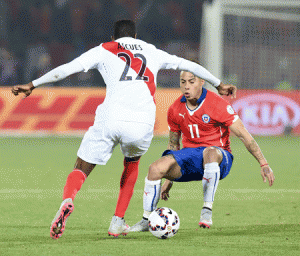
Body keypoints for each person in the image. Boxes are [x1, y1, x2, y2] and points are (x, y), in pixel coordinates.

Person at [11, 20, 237, 239]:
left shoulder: (104, 49)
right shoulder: (152, 51)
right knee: (132, 164)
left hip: (111, 117)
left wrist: (32, 84)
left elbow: (67, 69)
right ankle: (117, 222)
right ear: (135, 36)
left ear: (113, 37)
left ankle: (68, 199)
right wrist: (218, 83)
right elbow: (189, 66)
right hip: (141, 122)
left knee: (81, 166)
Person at [129, 70, 274, 232]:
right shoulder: (175, 109)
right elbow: (173, 145)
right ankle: (146, 219)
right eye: (183, 82)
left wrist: (263, 163)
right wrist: (169, 180)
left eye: (191, 81)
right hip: (190, 158)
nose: (186, 86)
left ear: (202, 82)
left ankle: (207, 209)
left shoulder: (218, 104)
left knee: (210, 152)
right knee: (154, 168)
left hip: (219, 157)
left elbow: (244, 136)